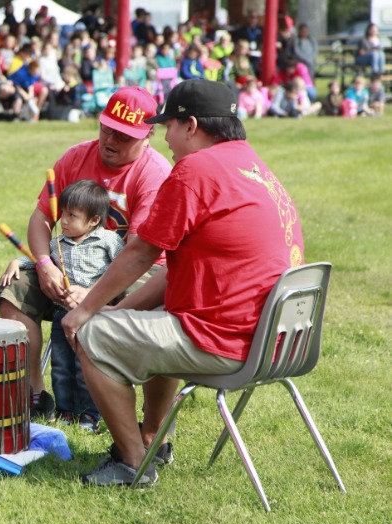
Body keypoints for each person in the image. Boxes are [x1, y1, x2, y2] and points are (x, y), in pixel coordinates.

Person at [61, 80, 305, 487]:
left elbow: (140, 253)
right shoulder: (253, 166)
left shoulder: (196, 169)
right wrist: (120, 311)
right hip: (279, 341)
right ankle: (154, 439)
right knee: (144, 316)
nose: (166, 139)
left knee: (92, 334)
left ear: (190, 125)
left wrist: (85, 313)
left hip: (228, 342)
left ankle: (133, 463)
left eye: (168, 127)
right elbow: (173, 272)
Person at [0, 86, 171, 419]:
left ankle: (110, 404)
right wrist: (45, 264)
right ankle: (35, 396)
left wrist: (92, 294)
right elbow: (42, 217)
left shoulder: (154, 174)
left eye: (123, 135)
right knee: (14, 289)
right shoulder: (76, 156)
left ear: (148, 134)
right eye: (107, 129)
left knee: (143, 293)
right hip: (69, 265)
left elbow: (137, 254)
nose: (111, 140)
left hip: (132, 273)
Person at [0, 180, 124, 433]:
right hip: (61, 315)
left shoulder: (108, 241)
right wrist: (16, 262)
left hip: (92, 316)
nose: (64, 221)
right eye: (63, 214)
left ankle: (90, 414)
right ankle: (66, 411)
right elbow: (39, 261)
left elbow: (121, 270)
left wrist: (92, 293)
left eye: (72, 216)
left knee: (85, 366)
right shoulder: (58, 243)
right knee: (62, 366)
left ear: (93, 221)